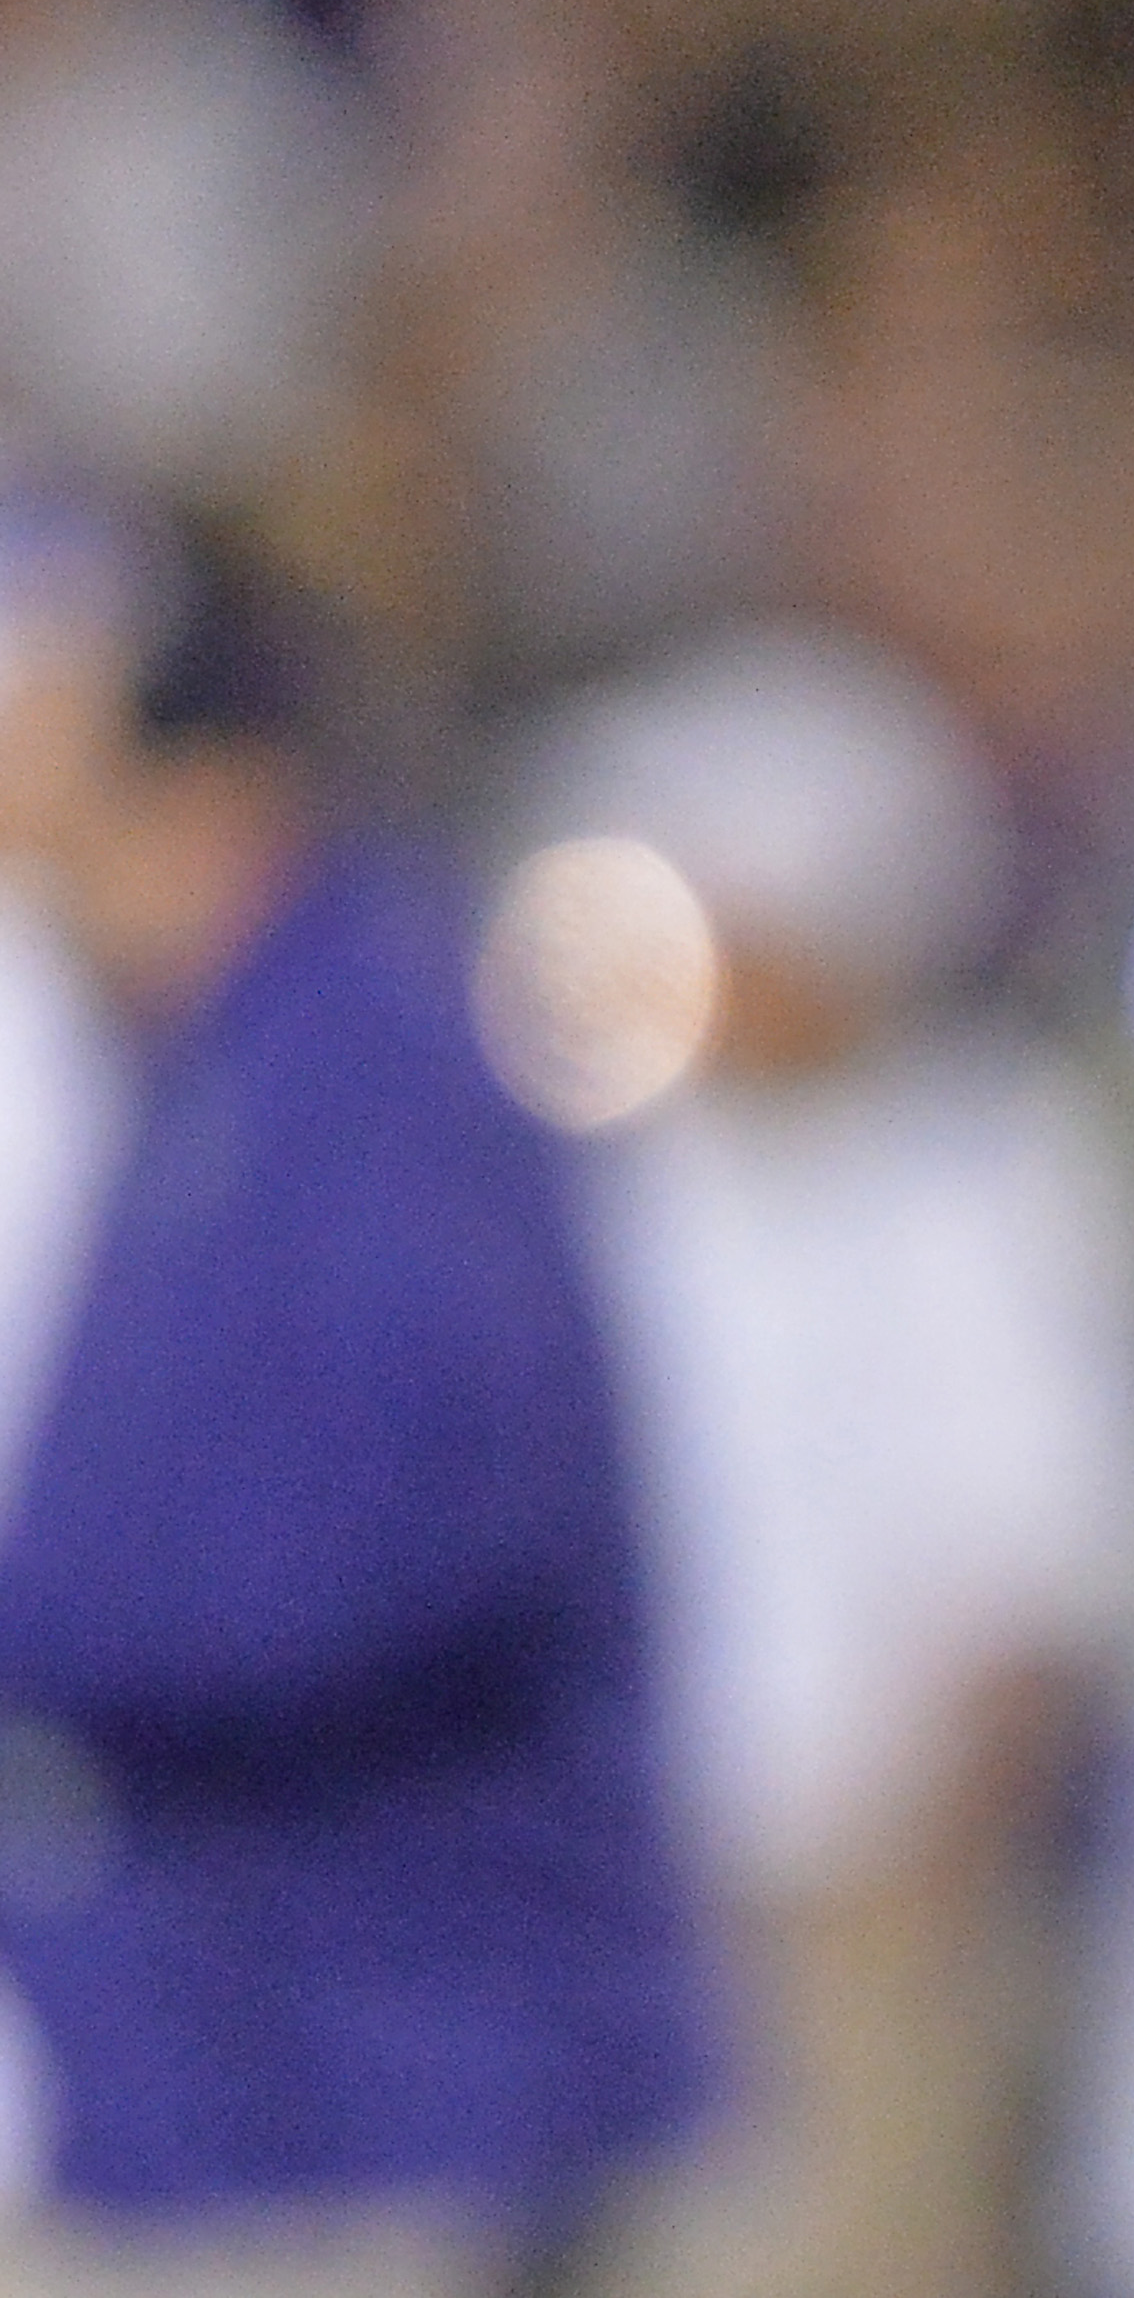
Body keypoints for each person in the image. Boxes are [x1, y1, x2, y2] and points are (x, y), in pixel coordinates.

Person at [0, 514, 711, 2298]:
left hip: (388, 2062)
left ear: (212, 793)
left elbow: (379, 1555)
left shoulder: (367, 1070)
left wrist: (38, 1640)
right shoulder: (209, 1060)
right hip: (253, 2067)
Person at [510, 622, 1134, 2298]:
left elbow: (1050, 1574)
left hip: (857, 1904)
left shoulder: (990, 1170)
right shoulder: (593, 1180)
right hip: (606, 1897)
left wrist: (920, 1920)